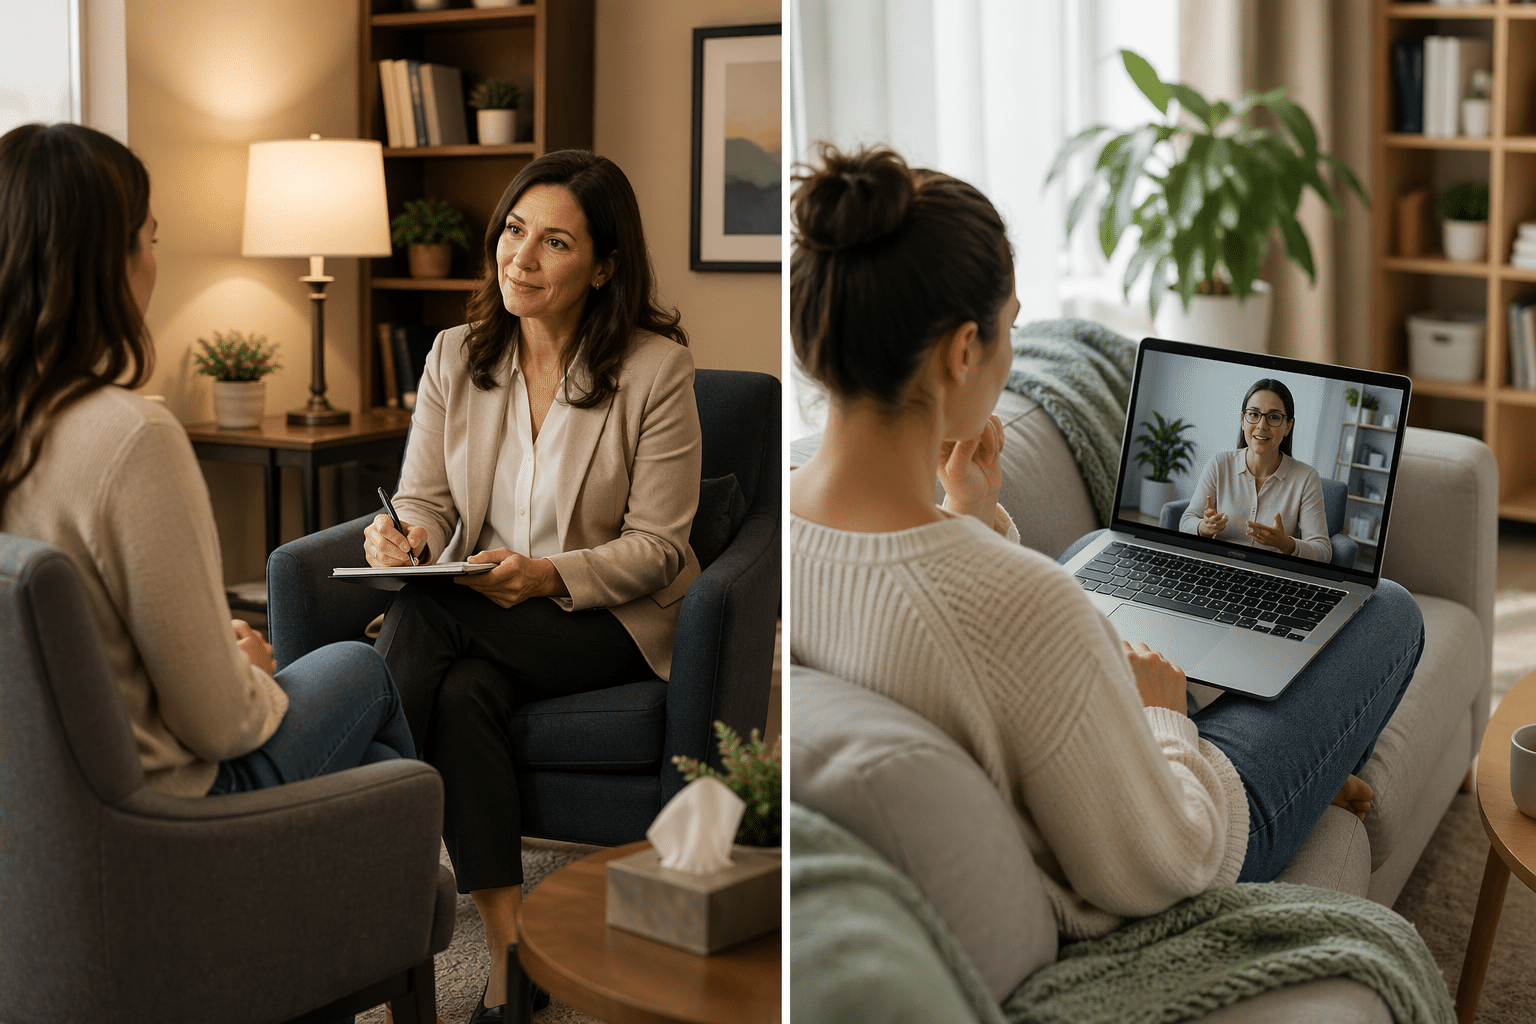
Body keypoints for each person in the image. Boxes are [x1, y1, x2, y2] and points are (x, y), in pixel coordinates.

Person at [789, 144, 1421, 939]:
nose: (1011, 355)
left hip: (1088, 751)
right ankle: (1292, 753)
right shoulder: (1027, 603)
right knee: (1390, 610)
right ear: (960, 351)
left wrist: (972, 512)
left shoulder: (784, 538)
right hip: (1187, 821)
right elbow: (1176, 859)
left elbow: (939, 623)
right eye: (1010, 329)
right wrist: (1165, 719)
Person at [364, 150, 700, 1021]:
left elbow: (660, 548)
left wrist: (547, 573)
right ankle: (514, 961)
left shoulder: (655, 369)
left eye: (554, 242)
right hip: (480, 614)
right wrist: (406, 536)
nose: (521, 257)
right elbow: (426, 497)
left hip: (599, 618)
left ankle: (353, 809)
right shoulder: (455, 353)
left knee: (431, 619)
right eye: (514, 230)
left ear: (605, 264)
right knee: (466, 690)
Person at [0, 123, 413, 800]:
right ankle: (390, 886)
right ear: (111, 260)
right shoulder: (130, 436)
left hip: (38, 815)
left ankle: (360, 878)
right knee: (359, 669)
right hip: (167, 809)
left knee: (366, 761)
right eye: (151, 238)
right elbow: (222, 727)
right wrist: (247, 672)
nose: (153, 260)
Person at [1179, 379, 1331, 562]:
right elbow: (1185, 522)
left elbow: (1323, 553)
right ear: (1243, 420)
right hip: (1218, 565)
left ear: (1288, 427)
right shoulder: (1219, 464)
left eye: (1273, 417)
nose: (1261, 426)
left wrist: (1286, 544)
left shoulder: (1306, 477)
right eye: (1254, 414)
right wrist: (1203, 527)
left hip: (1272, 575)